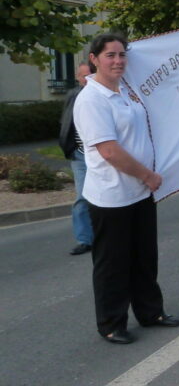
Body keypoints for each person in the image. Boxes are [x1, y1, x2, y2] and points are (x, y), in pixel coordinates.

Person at [74, 33, 179, 344]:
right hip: (112, 197)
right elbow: (109, 150)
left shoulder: (124, 92)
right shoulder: (91, 100)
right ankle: (111, 323)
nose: (118, 61)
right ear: (94, 59)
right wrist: (147, 175)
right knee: (113, 264)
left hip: (139, 193)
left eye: (122, 55)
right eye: (110, 55)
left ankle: (151, 312)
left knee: (144, 257)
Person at [60, 61, 94, 255]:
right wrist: (69, 149)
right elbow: (66, 123)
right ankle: (85, 240)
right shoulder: (74, 96)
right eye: (83, 77)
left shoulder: (103, 95)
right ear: (78, 79)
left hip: (101, 156)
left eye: (90, 75)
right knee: (82, 198)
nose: (86, 80)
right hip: (80, 156)